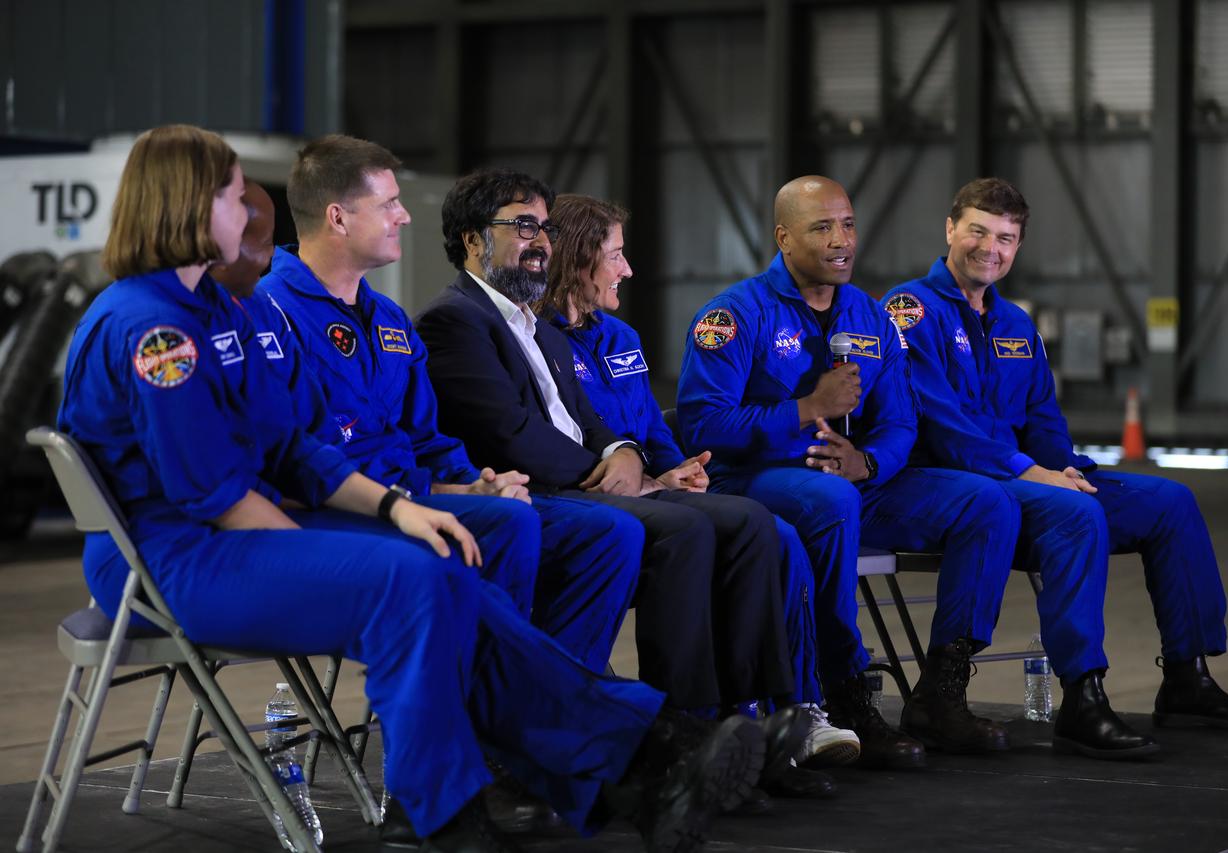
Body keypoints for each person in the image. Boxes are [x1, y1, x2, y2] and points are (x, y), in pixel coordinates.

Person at [59, 124, 767, 853]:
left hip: (225, 534)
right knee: (411, 579)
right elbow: (211, 491)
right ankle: (477, 807)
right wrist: (338, 555)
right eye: (237, 195)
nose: (251, 210)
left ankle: (637, 765)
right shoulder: (152, 329)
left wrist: (397, 506)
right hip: (168, 560)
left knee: (445, 572)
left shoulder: (214, 310)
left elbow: (290, 446)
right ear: (189, 203)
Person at [882, 176, 1228, 755]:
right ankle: (1082, 695)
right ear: (949, 229)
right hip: (953, 483)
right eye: (978, 231)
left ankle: (1188, 681)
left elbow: (1043, 420)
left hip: (1027, 479)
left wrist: (1065, 468)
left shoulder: (1016, 325)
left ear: (1018, 247)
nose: (990, 248)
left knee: (1169, 503)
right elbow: (940, 425)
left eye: (1007, 238)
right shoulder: (909, 311)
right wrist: (1035, 474)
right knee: (1073, 515)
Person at [415, 169, 803, 742]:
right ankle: (682, 721)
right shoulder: (454, 320)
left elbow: (589, 422)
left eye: (544, 228)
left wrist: (625, 453)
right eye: (524, 226)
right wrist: (616, 476)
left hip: (584, 481)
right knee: (680, 530)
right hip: (533, 489)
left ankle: (753, 712)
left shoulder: (538, 330)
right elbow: (508, 431)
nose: (540, 240)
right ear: (474, 240)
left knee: (747, 520)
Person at [250, 135, 644, 686]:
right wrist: (447, 496)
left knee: (607, 534)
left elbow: (426, 436)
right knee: (510, 524)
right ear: (338, 218)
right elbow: (290, 459)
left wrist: (476, 481)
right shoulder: (267, 315)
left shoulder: (386, 317)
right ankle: (510, 723)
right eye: (389, 204)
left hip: (423, 498)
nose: (404, 216)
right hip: (343, 514)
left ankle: (543, 708)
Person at [677, 175, 1027, 765]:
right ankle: (843, 689)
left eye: (847, 224)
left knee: (987, 503)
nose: (841, 240)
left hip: (855, 482)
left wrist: (867, 462)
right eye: (822, 227)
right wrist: (806, 410)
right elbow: (702, 427)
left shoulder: (868, 315)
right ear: (784, 238)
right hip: (760, 482)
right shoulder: (735, 315)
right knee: (828, 501)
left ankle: (942, 692)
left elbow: (900, 423)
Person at [539, 192, 862, 798]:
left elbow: (655, 432)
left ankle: (766, 721)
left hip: (652, 493)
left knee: (774, 534)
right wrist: (651, 479)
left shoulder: (621, 336)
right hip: (591, 499)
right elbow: (576, 451)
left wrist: (677, 468)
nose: (629, 269)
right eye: (616, 255)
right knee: (731, 528)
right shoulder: (540, 341)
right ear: (579, 260)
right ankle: (695, 727)